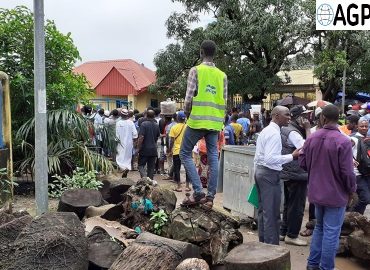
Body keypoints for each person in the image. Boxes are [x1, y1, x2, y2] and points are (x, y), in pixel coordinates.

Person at [299, 105, 356, 270]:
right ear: (339, 119)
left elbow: (302, 162)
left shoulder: (312, 138)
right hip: (336, 194)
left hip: (316, 193)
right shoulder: (344, 141)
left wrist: (316, 166)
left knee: (320, 228)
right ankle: (326, 267)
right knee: (331, 233)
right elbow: (347, 172)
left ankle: (312, 264)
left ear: (322, 118)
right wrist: (351, 190)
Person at [180, 40, 227, 209]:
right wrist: (220, 121)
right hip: (215, 122)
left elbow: (188, 98)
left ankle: (199, 191)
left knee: (184, 153)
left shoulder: (196, 71)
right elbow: (224, 101)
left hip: (197, 119)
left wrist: (187, 114)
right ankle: (210, 198)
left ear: (201, 52)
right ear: (214, 54)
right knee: (214, 157)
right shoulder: (222, 75)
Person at [254, 106, 300, 245]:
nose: (289, 117)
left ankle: (264, 243)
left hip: (262, 172)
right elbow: (270, 159)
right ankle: (272, 248)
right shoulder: (273, 133)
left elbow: (258, 157)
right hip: (269, 173)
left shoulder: (267, 131)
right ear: (276, 116)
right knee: (272, 214)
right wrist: (291, 156)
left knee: (264, 212)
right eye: (286, 115)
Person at [279, 105, 311, 246]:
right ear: (299, 118)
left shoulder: (286, 129)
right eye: (306, 115)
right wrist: (308, 129)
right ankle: (292, 235)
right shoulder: (294, 133)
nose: (309, 117)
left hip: (288, 171)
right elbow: (309, 149)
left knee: (289, 204)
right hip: (297, 173)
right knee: (296, 206)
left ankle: (283, 232)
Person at [350, 119, 370, 214]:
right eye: (362, 126)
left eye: (366, 126)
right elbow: (344, 148)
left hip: (366, 173)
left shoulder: (367, 138)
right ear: (357, 127)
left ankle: (357, 218)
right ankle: (352, 215)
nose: (364, 128)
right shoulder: (354, 138)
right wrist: (352, 160)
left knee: (365, 199)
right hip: (357, 173)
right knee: (365, 198)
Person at [169, 111, 191, 192]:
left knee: (177, 169)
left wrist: (169, 149)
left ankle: (179, 187)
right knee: (188, 168)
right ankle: (187, 186)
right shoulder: (188, 127)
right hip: (186, 151)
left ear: (177, 118)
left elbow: (171, 140)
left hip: (177, 151)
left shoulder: (173, 127)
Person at [137, 109, 160, 180]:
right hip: (153, 149)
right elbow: (157, 136)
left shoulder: (143, 124)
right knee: (151, 168)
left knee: (141, 165)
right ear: (154, 116)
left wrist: (138, 147)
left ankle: (145, 180)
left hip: (144, 149)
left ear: (146, 115)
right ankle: (150, 184)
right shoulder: (156, 125)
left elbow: (141, 137)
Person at [115, 109, 138, 178]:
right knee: (128, 158)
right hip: (129, 144)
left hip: (120, 143)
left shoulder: (118, 123)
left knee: (120, 157)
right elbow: (135, 134)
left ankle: (123, 168)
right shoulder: (131, 123)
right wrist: (134, 143)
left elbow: (116, 135)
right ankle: (126, 168)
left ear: (121, 115)